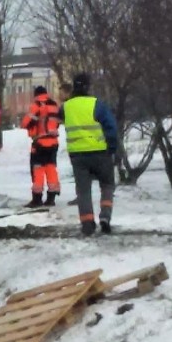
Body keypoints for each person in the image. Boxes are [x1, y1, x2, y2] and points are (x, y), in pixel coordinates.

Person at [60, 73, 118, 236]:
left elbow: (57, 119)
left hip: (78, 156)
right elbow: (111, 127)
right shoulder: (97, 104)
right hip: (100, 152)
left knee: (83, 190)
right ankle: (105, 216)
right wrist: (112, 147)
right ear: (88, 86)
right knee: (107, 185)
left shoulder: (66, 107)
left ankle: (87, 222)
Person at [21, 86, 61, 207]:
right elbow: (57, 123)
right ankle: (51, 197)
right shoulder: (54, 105)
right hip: (53, 142)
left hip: (40, 143)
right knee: (51, 168)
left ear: (36, 94)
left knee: (38, 170)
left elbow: (25, 123)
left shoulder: (36, 105)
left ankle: (37, 199)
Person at [57, 82, 78, 206]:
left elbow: (58, 119)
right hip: (91, 142)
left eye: (61, 93)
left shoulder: (67, 106)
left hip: (76, 144)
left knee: (80, 174)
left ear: (68, 93)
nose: (59, 96)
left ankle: (81, 197)